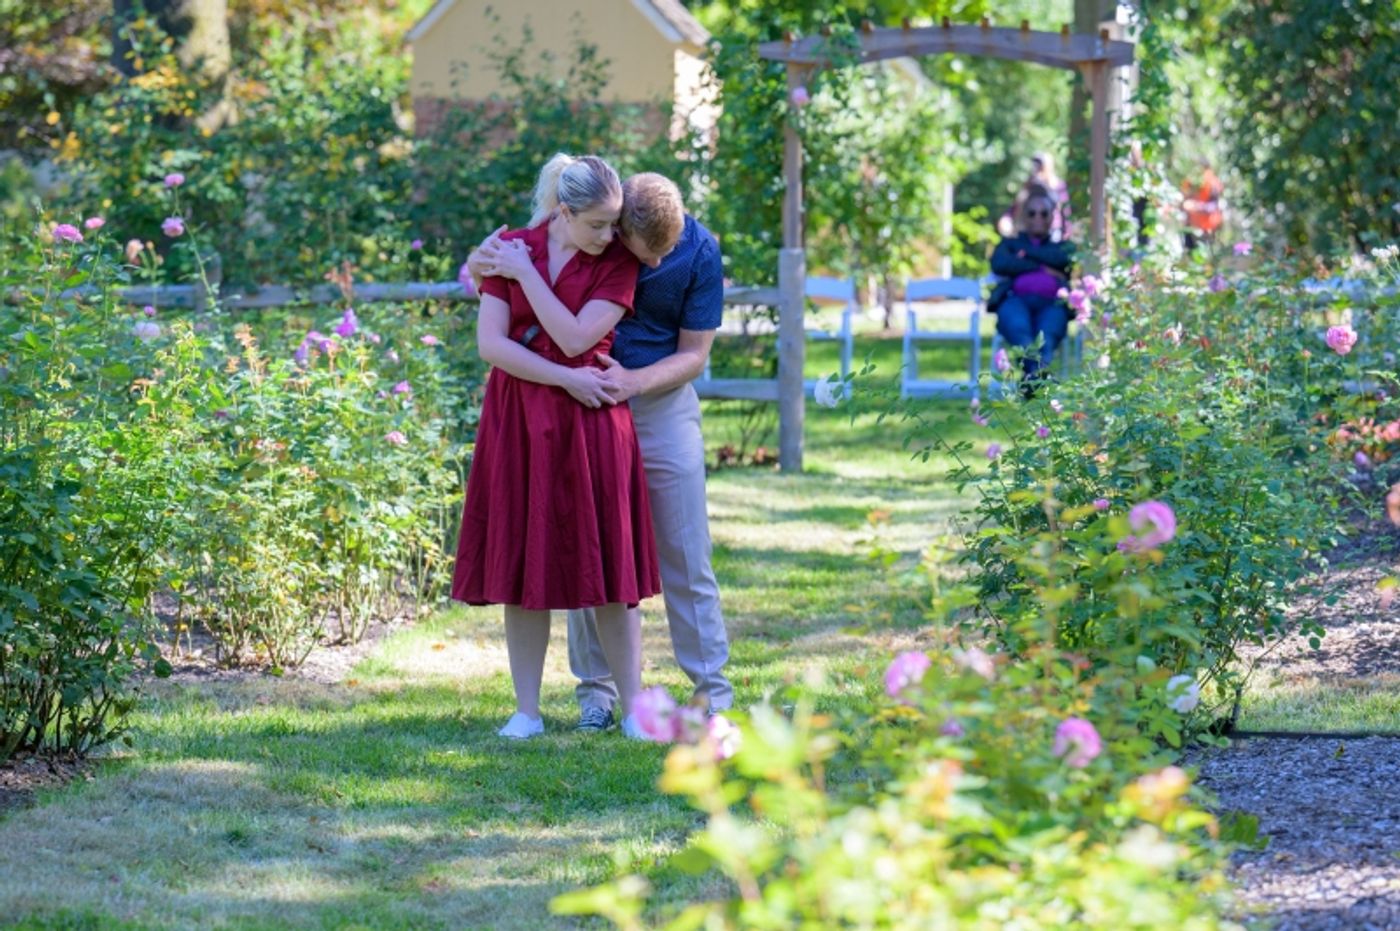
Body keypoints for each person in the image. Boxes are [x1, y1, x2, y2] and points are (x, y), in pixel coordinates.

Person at [468, 171, 733, 731]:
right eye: (642, 252)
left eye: (663, 254)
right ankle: (597, 695)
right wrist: (481, 263)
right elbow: (517, 259)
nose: (654, 267)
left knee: (685, 549)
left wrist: (633, 384)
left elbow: (694, 355)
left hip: (653, 400)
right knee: (589, 547)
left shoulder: (698, 251)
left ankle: (713, 691)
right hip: (575, 405)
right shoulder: (604, 225)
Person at [452, 153, 661, 740]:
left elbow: (574, 338)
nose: (608, 235)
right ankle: (527, 710)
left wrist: (526, 278)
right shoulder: (512, 246)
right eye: (596, 223)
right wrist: (565, 378)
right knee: (524, 563)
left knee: (610, 570)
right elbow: (492, 346)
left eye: (613, 222)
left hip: (592, 426)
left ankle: (635, 709)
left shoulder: (614, 262)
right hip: (520, 422)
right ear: (564, 212)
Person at [987, 190, 1076, 392]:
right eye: (1032, 213)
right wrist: (1043, 268)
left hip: (1053, 303)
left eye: (1044, 213)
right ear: (1023, 216)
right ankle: (1037, 374)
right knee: (1019, 329)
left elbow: (1064, 260)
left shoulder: (1063, 246)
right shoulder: (1009, 244)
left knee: (1047, 334)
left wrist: (1025, 255)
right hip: (1015, 300)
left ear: (1052, 217)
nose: (1038, 218)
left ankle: (1030, 378)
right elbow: (999, 264)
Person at [997, 151, 1071, 242]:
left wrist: (1066, 235)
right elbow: (1016, 207)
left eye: (1040, 165)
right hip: (1029, 233)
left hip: (1053, 233)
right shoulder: (1029, 186)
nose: (1037, 169)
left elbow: (1066, 213)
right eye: (1035, 165)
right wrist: (1006, 219)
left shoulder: (1058, 186)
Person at [1181, 162, 1223, 252]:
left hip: (1206, 227)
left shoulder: (1212, 182)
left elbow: (1214, 206)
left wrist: (1196, 207)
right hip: (1190, 227)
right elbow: (1183, 201)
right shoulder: (1189, 181)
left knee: (1204, 258)